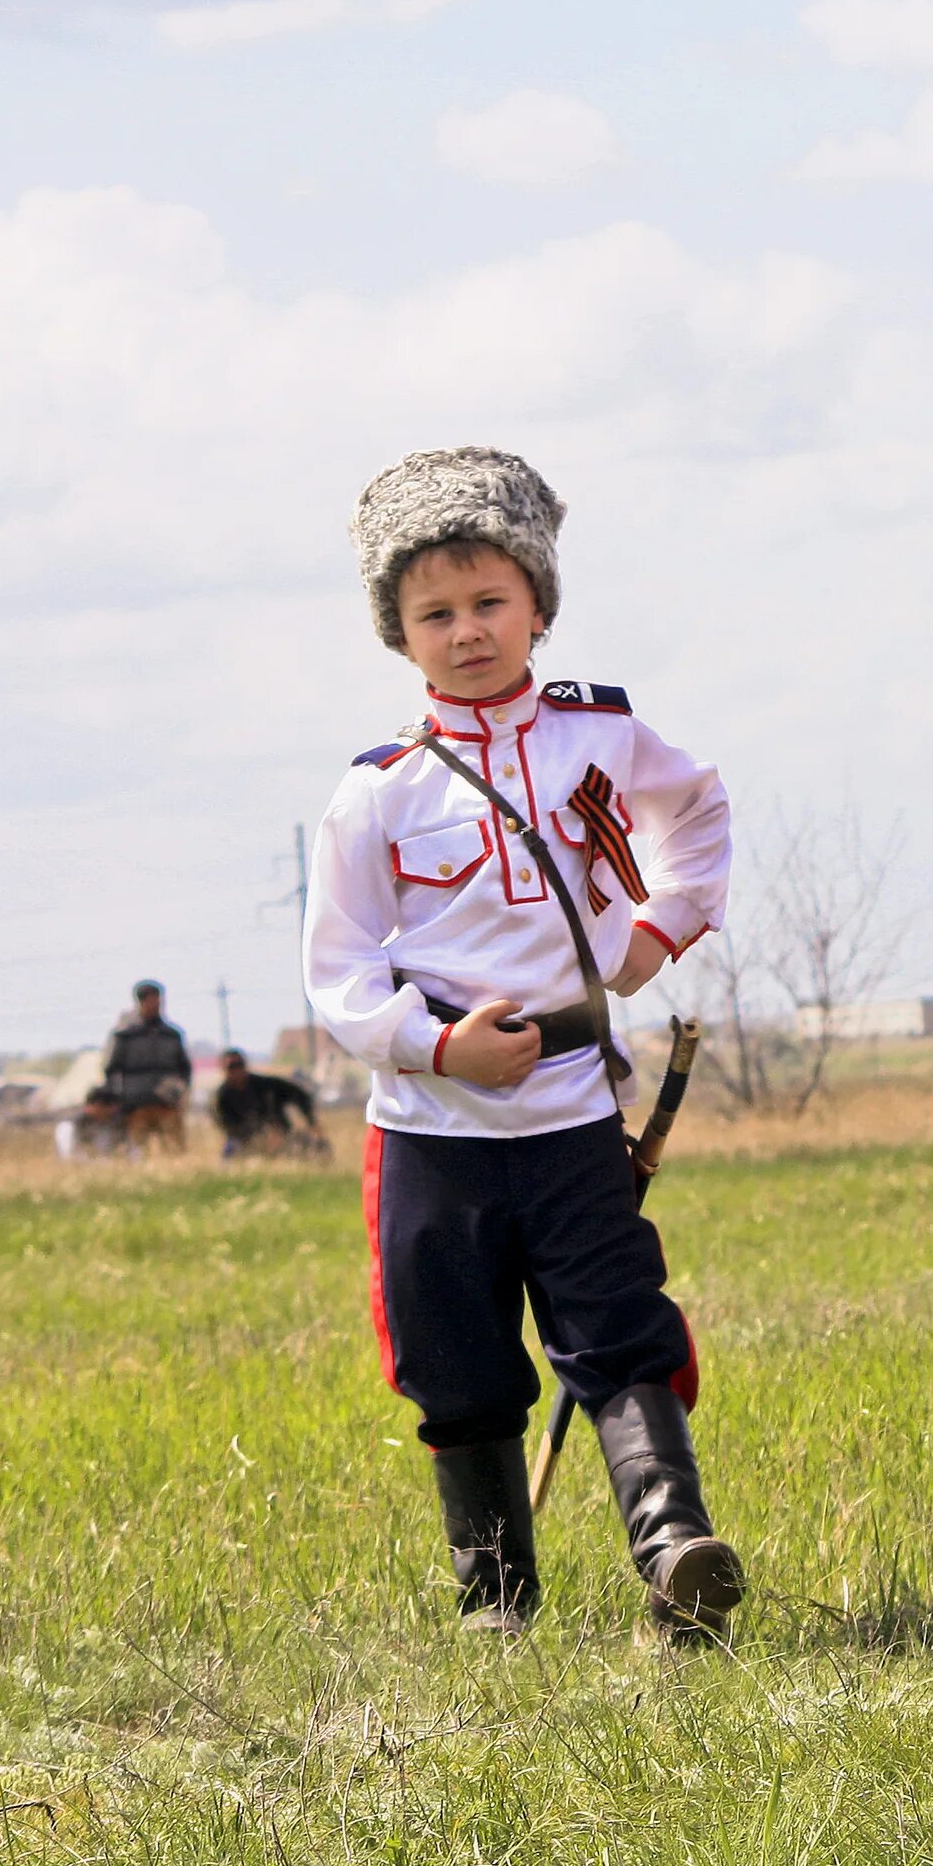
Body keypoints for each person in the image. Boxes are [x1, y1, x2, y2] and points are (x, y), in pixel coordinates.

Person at [303, 446, 742, 1643]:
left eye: (491, 602)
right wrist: (440, 1051)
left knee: (617, 1329)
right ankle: (495, 1597)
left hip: (571, 1116)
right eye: (433, 613)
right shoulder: (377, 794)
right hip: (434, 1132)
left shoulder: (602, 737)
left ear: (539, 605)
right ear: (398, 635)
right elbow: (338, 976)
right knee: (457, 1364)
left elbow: (696, 815)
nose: (468, 632)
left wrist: (659, 930)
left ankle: (674, 1553)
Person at [100, 981, 190, 1116]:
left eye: (157, 999)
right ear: (141, 1002)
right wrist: (116, 1098)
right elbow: (112, 1069)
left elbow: (184, 1068)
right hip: (135, 1105)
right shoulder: (126, 1036)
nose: (156, 1004)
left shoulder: (171, 1035)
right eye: (151, 1000)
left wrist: (180, 1090)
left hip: (167, 1104)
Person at [211, 1049, 320, 1158]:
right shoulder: (220, 1098)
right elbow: (227, 1127)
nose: (237, 1070)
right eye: (232, 1066)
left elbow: (301, 1096)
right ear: (223, 1069)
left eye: (240, 1065)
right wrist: (259, 1138)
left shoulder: (266, 1085)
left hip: (283, 1136)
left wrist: (311, 1122)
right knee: (230, 1152)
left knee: (317, 1147)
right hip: (247, 1144)